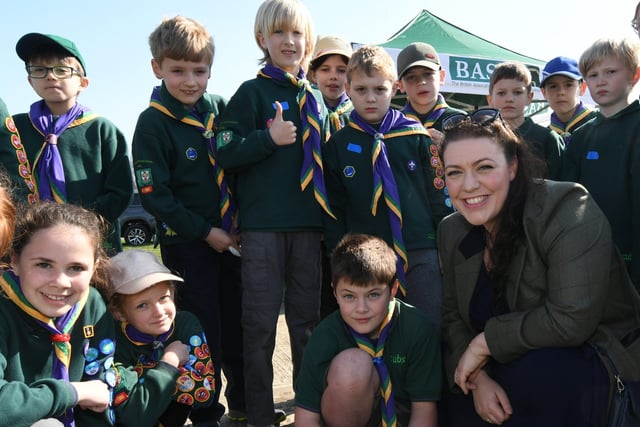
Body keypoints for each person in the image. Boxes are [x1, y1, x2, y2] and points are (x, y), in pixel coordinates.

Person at [436, 108, 640, 426]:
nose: (469, 185)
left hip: (586, 365)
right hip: (499, 372)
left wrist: (485, 343)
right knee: (452, 391)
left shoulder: (566, 207)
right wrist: (479, 378)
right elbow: (452, 317)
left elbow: (571, 319)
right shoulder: (452, 229)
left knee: (541, 372)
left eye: (484, 167)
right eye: (455, 172)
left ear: (513, 166)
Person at [216, 1, 329, 426]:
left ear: (308, 41)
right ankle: (261, 415)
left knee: (306, 327)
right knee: (260, 328)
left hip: (309, 229)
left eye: (296, 33)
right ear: (262, 40)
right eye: (278, 33)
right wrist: (268, 138)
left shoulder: (315, 97)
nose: (289, 41)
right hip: (263, 230)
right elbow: (224, 152)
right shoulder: (251, 93)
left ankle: (307, 411)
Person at [131, 16, 246, 427]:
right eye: (178, 70)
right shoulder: (153, 123)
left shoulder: (219, 110)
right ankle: (206, 412)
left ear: (211, 70)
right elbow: (154, 195)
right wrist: (205, 231)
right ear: (157, 68)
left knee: (240, 324)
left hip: (233, 240)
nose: (190, 80)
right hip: (190, 245)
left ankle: (245, 404)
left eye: (199, 71)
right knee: (203, 330)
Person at [0, 202, 182, 426]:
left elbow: (99, 396)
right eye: (44, 265)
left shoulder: (92, 305)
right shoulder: (4, 307)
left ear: (94, 268)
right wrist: (73, 392)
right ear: (15, 260)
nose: (60, 282)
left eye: (76, 268)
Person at [322, 44, 452, 328]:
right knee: (374, 332)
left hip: (421, 251)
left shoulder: (417, 136)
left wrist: (444, 249)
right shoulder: (337, 146)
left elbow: (439, 196)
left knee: (429, 327)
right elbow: (334, 210)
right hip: (366, 257)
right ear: (347, 88)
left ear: (394, 88)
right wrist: (339, 257)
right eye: (361, 90)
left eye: (379, 90)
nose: (371, 98)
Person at [294, 233, 441, 427]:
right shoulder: (325, 335)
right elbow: (306, 416)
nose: (361, 308)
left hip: (402, 419)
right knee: (352, 366)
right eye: (349, 296)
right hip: (344, 416)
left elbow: (424, 411)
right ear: (335, 293)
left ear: (393, 290)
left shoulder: (417, 329)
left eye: (373, 295)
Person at [11, 32, 132, 254]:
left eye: (61, 70)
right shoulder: (14, 128)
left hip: (92, 241)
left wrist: (80, 225)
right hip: (29, 241)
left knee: (95, 289)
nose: (50, 77)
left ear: (83, 83)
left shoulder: (102, 130)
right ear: (30, 80)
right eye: (39, 70)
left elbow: (120, 190)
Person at [560, 36, 640, 290]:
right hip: (589, 258)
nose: (601, 80)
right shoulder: (582, 136)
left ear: (635, 75)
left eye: (611, 71)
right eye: (593, 75)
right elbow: (566, 197)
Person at [107, 249, 214, 427]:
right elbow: (133, 415)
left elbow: (204, 393)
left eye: (164, 298)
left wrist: (140, 376)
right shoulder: (113, 339)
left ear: (172, 293)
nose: (159, 312)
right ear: (118, 312)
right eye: (142, 305)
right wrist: (170, 362)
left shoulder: (185, 324)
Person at [307, 34, 353, 319]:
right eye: (325, 69)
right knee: (322, 303)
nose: (333, 77)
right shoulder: (306, 112)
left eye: (342, 70)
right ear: (312, 73)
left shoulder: (361, 115)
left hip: (354, 222)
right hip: (314, 227)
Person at [487, 60, 565, 179]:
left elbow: (561, 188)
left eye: (517, 92)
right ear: (490, 100)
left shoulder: (548, 139)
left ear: (529, 97)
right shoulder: (483, 138)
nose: (509, 99)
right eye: (501, 93)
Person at [397, 42, 466, 146]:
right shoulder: (393, 124)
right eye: (411, 77)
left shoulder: (461, 120)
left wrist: (447, 147)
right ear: (400, 85)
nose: (421, 82)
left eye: (428, 74)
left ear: (442, 77)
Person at [539, 56, 598, 145]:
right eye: (553, 86)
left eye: (568, 85)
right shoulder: (543, 138)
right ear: (544, 93)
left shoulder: (600, 124)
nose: (561, 92)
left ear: (582, 88)